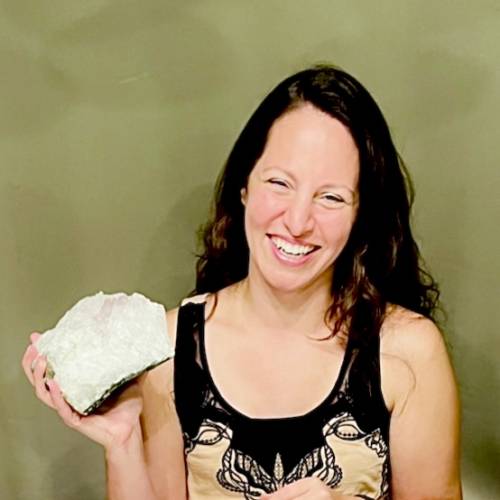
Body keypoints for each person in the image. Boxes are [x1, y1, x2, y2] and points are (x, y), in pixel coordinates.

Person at [22, 64, 462, 499]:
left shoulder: (407, 351)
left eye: (330, 197)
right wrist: (123, 446)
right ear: (244, 187)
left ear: (361, 214)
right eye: (279, 183)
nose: (297, 221)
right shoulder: (170, 349)